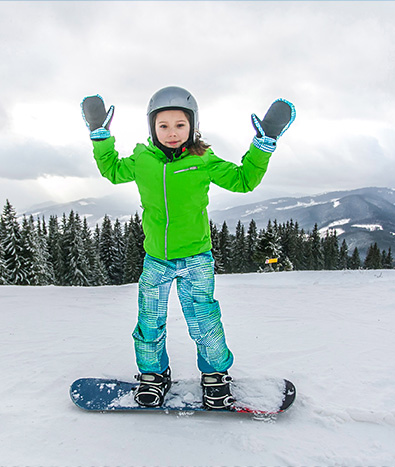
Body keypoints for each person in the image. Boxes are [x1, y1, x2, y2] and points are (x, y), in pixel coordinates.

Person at [80, 86, 295, 409]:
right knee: (149, 322)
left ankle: (215, 375)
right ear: (151, 127)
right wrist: (100, 136)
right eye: (163, 125)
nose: (171, 133)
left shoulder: (203, 160)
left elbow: (243, 180)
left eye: (180, 125)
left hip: (196, 258)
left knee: (204, 320)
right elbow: (111, 170)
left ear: (192, 126)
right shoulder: (142, 160)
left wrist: (263, 145)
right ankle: (154, 375)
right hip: (156, 260)